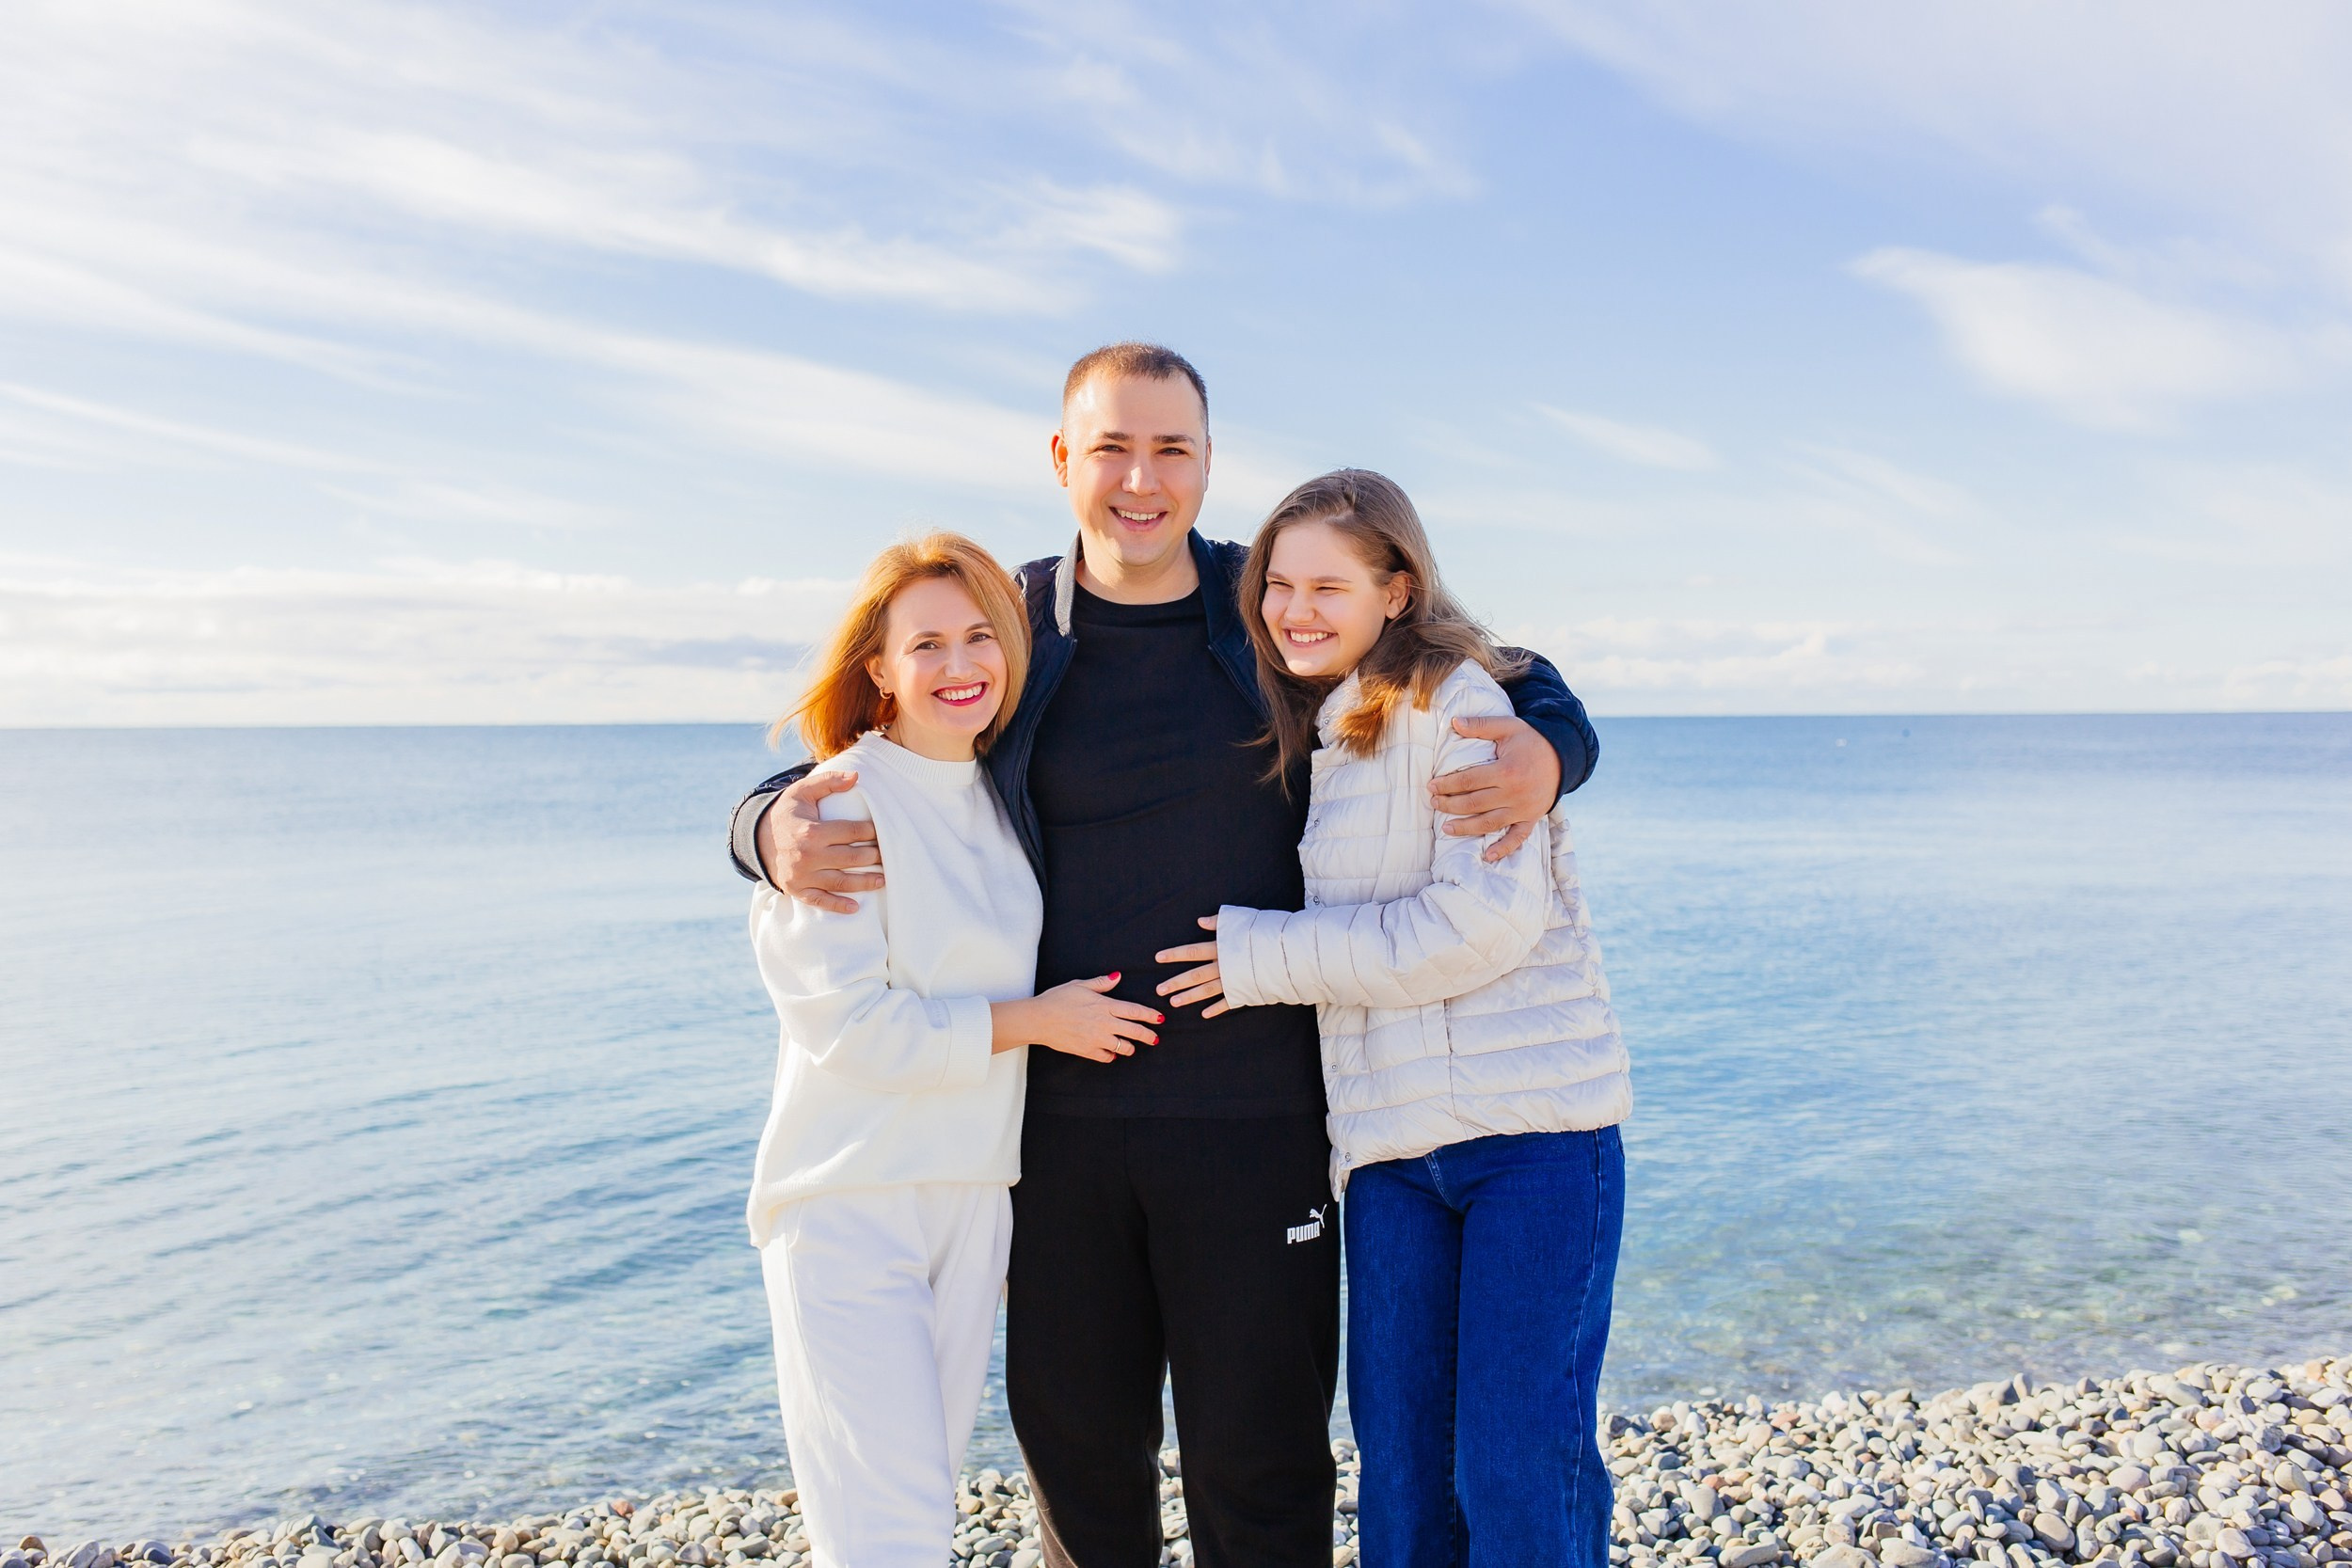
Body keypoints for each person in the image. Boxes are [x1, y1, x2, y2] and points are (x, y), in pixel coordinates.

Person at [728, 344, 1601, 1568]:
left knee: (1263, 1468)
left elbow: (1486, 662)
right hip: (1056, 1133)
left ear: (1206, 460)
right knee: (1084, 1472)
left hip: (1259, 1121)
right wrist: (761, 826)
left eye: (1171, 449)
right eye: (1111, 448)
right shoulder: (1015, 624)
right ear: (1061, 460)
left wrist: (1556, 745)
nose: (1141, 478)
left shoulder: (1274, 608)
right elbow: (877, 742)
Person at [1152, 469, 1632, 1568]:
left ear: (1398, 590)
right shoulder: (1315, 720)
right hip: (1387, 1157)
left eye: (1329, 584)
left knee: (1515, 1463)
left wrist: (1255, 956)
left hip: (1534, 1142)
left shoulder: (1460, 703)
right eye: (1277, 583)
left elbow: (1474, 928)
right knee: (1405, 1474)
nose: (1294, 609)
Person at [744, 532, 1162, 1568]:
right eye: (926, 643)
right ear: (877, 667)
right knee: (886, 1532)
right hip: (849, 1197)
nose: (960, 663)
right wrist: (1032, 1020)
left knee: (922, 1512)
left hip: (973, 1195)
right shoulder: (836, 804)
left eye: (980, 635)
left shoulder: (1001, 798)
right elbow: (846, 1027)